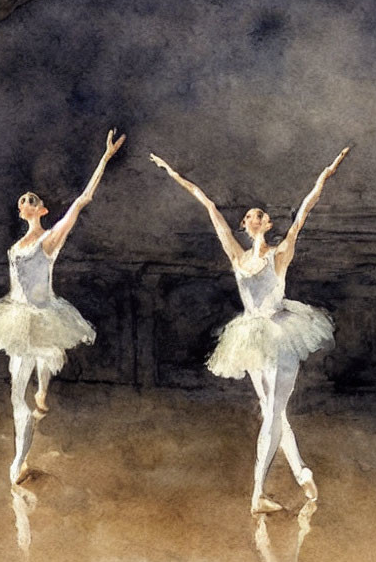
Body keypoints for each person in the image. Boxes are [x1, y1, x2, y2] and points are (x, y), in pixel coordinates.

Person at [150, 146, 349, 513]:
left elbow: (305, 211)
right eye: (248, 215)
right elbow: (208, 206)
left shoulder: (280, 252)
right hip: (251, 337)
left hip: (282, 332)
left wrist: (326, 173)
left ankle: (263, 488)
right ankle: (295, 473)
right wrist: (172, 172)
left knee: (274, 412)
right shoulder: (237, 256)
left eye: (259, 214)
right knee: (272, 410)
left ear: (268, 224)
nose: (253, 216)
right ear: (245, 226)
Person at [0, 129, 126, 485]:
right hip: (15, 314)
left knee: (35, 364)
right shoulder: (17, 243)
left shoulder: (49, 238)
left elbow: (83, 200)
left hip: (40, 313)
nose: (23, 201)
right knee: (14, 390)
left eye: (30, 199)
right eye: (21, 199)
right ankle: (26, 443)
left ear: (41, 209)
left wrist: (104, 159)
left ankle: (18, 459)